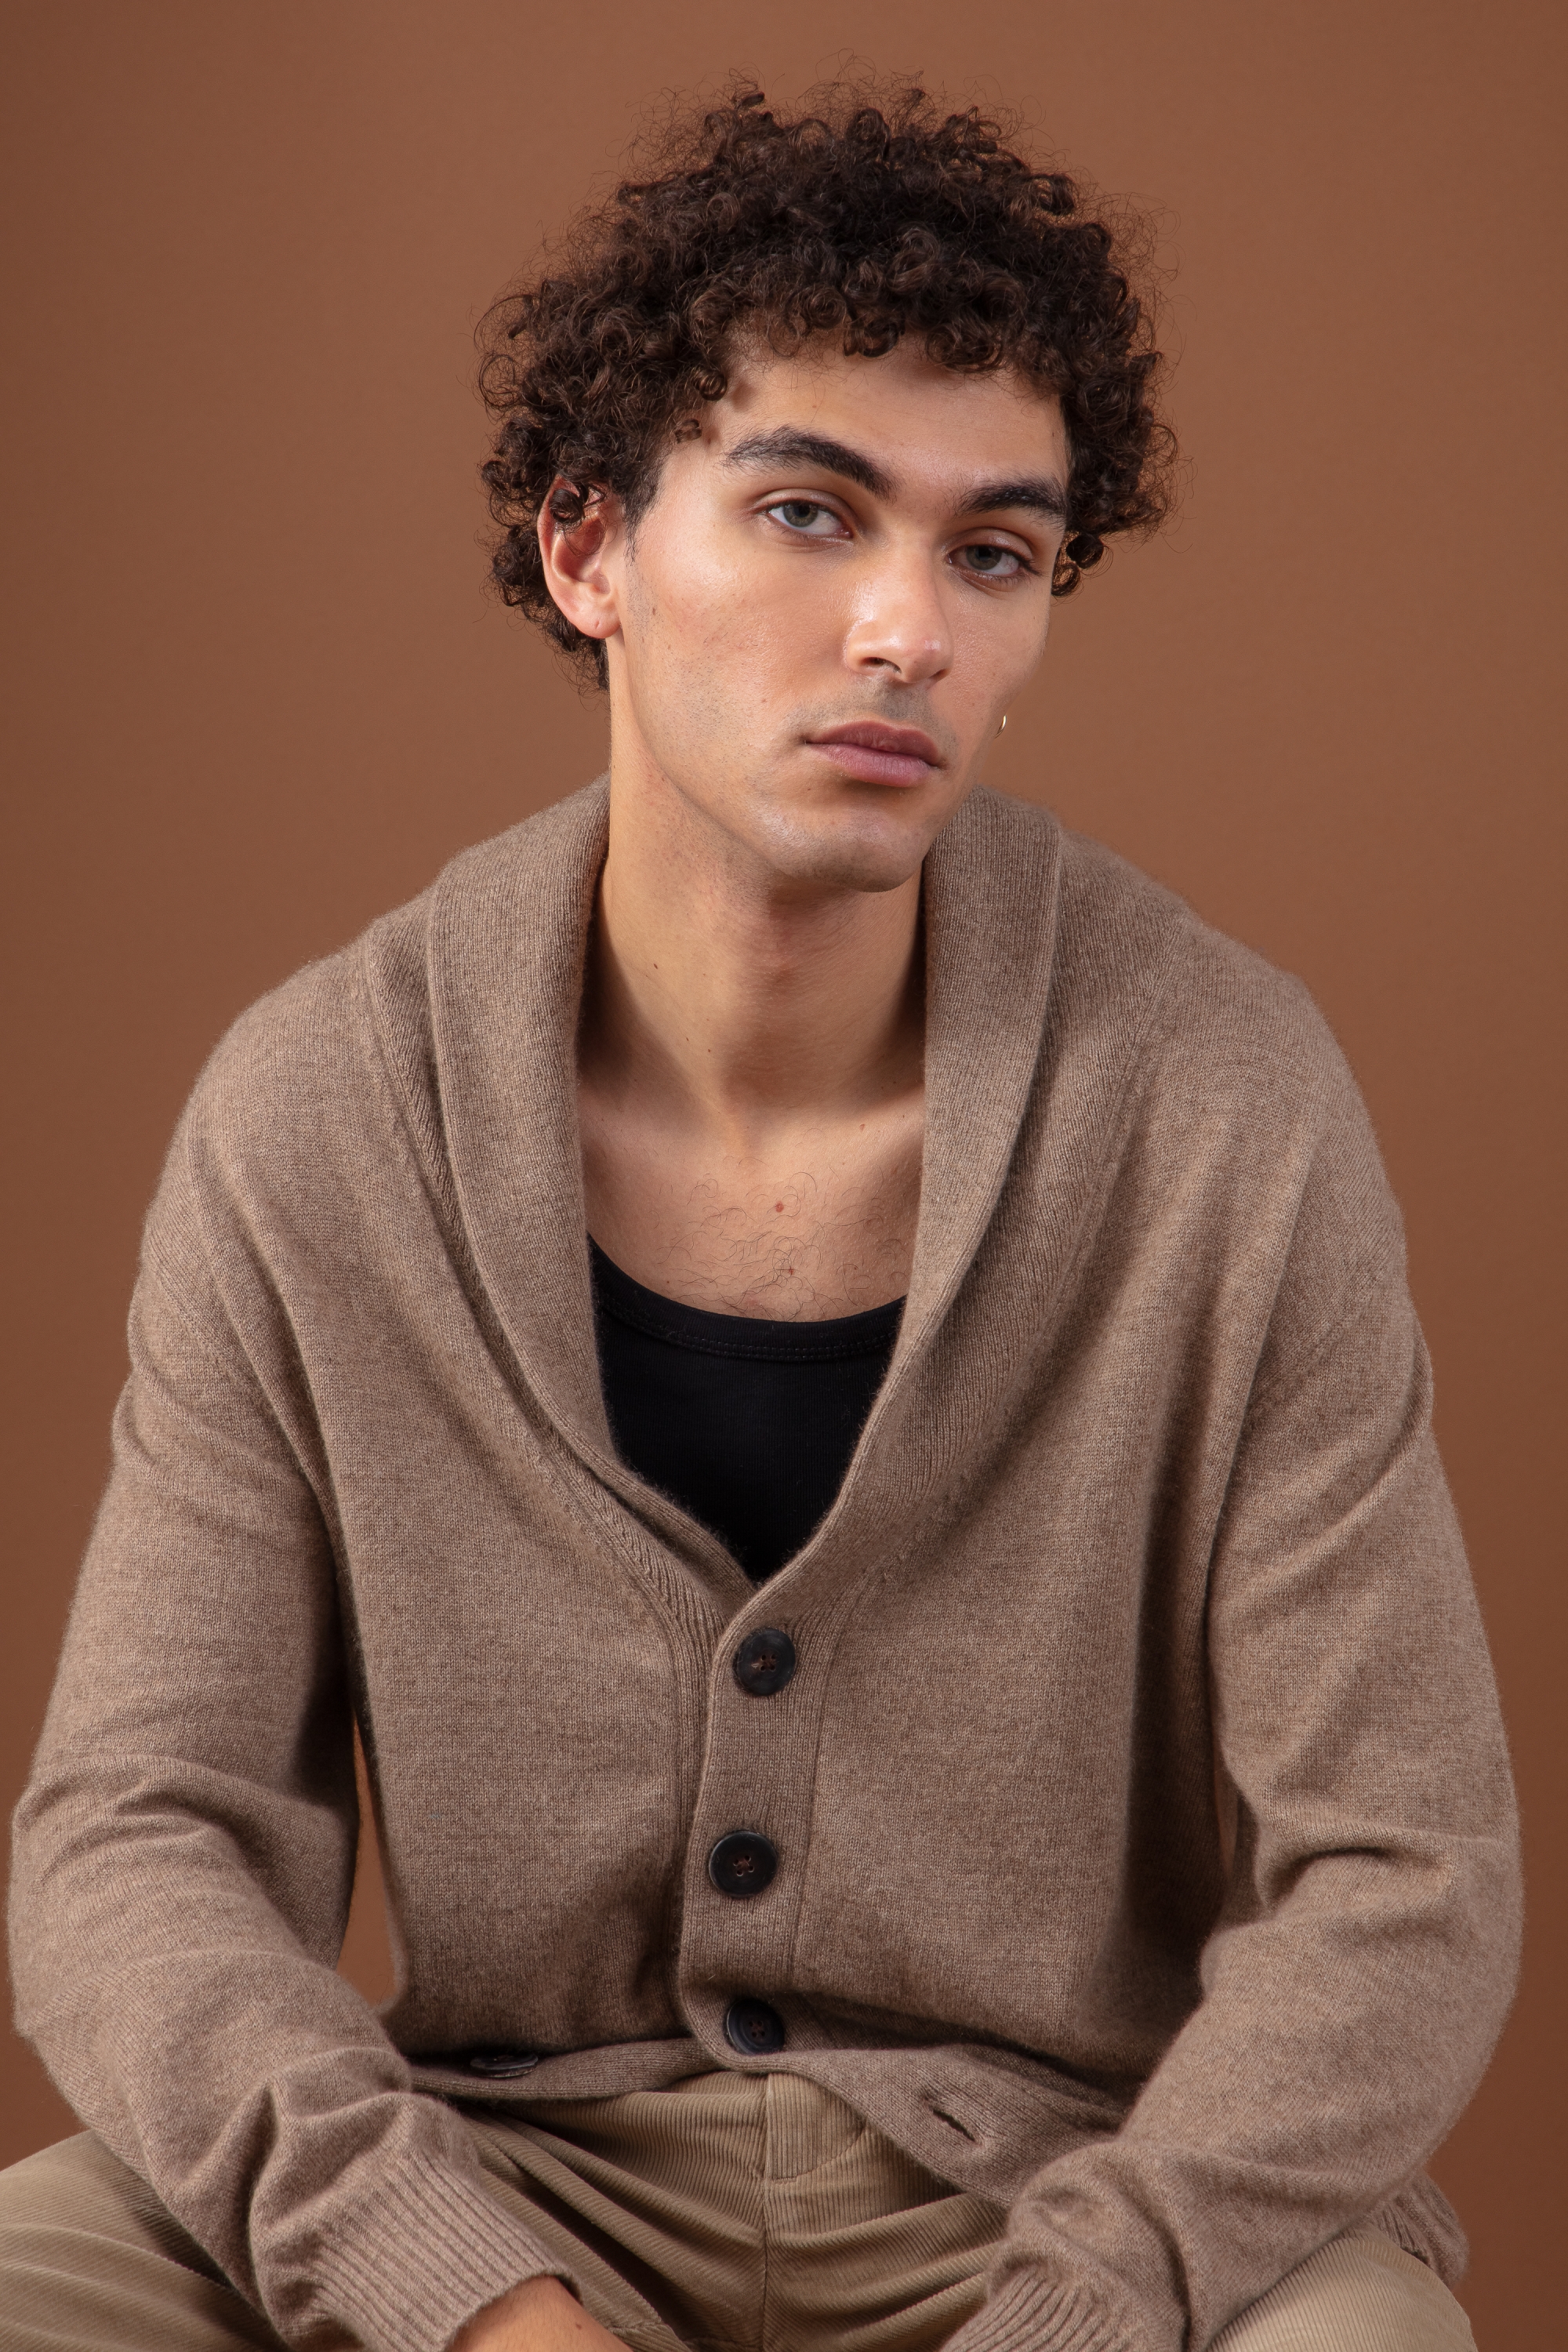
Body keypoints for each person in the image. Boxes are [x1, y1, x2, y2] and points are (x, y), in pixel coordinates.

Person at [2, 82, 1519, 2352]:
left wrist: (1092, 2302)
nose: (907, 630)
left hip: (1064, 2190)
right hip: (501, 2162)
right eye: (810, 513)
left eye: (994, 554)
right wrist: (463, 2295)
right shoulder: (318, 1114)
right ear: (585, 550)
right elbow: (141, 1835)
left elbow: (1406, 1876)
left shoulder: (1223, 1100)